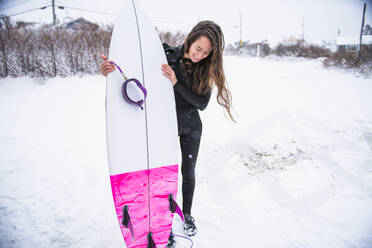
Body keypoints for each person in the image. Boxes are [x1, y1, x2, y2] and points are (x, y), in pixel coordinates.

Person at [100, 20, 235, 246]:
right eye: (198, 48)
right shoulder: (166, 55)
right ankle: (164, 225)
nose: (200, 55)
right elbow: (136, 68)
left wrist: (175, 83)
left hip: (191, 126)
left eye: (206, 52)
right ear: (190, 39)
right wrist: (111, 70)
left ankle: (188, 215)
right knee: (163, 176)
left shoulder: (205, 68)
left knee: (188, 172)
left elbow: (201, 104)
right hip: (166, 125)